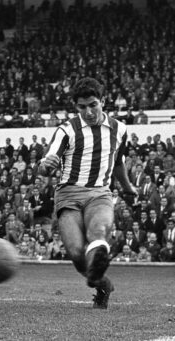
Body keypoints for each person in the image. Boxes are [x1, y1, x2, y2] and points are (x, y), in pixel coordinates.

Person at [39, 77, 137, 309]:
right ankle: (101, 282)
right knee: (75, 253)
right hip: (68, 195)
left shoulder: (119, 129)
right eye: (82, 107)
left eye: (93, 104)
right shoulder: (66, 131)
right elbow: (44, 165)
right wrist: (46, 165)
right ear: (76, 107)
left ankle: (99, 259)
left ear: (103, 101)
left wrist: (126, 186)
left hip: (100, 194)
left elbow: (119, 161)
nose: (89, 111)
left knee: (98, 232)